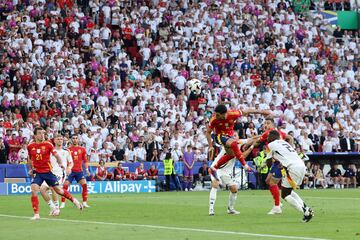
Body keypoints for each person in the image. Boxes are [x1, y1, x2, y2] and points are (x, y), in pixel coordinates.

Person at [27, 127, 82, 220]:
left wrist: (60, 163)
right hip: (38, 173)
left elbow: (56, 155)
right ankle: (37, 214)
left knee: (58, 190)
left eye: (43, 133)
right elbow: (29, 158)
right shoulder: (30, 146)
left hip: (48, 172)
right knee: (34, 190)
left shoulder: (48, 145)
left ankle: (74, 201)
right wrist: (30, 168)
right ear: (35, 135)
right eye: (39, 133)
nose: (42, 135)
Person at [206, 104, 269, 178]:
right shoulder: (214, 119)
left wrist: (261, 112)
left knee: (231, 155)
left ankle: (214, 168)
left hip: (230, 137)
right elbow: (208, 132)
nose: (216, 116)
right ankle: (245, 165)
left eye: (218, 115)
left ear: (224, 113)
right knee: (234, 144)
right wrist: (210, 146)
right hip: (219, 136)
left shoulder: (233, 113)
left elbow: (247, 111)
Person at [266, 130, 314, 222]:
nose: (267, 138)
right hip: (301, 166)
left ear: (272, 137)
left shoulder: (270, 145)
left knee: (285, 194)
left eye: (268, 136)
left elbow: (268, 163)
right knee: (289, 191)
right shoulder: (284, 143)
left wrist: (271, 161)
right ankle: (306, 208)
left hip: (293, 168)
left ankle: (306, 212)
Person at [255, 118, 293, 215]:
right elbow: (290, 138)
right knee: (268, 180)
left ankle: (277, 206)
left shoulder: (269, 133)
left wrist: (249, 145)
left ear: (273, 125)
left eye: (268, 123)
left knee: (272, 182)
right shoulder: (278, 133)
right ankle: (278, 202)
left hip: (280, 161)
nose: (265, 125)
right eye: (265, 123)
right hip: (275, 160)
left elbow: (257, 142)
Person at [209, 138, 255, 216]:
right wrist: (252, 147)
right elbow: (241, 156)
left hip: (226, 172)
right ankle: (211, 209)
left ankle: (230, 209)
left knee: (234, 189)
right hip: (215, 168)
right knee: (215, 184)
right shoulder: (229, 147)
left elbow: (250, 139)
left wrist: (257, 138)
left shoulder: (238, 142)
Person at [39, 134, 73, 216]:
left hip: (60, 173)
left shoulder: (66, 151)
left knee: (53, 188)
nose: (60, 140)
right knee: (42, 189)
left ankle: (57, 209)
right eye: (58, 139)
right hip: (50, 173)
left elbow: (71, 162)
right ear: (54, 140)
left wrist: (69, 168)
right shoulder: (50, 150)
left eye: (61, 139)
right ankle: (52, 207)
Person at [61, 135, 90, 209]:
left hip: (79, 171)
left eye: (76, 138)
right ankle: (63, 203)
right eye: (73, 138)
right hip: (70, 171)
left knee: (84, 185)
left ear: (78, 140)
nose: (75, 140)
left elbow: (85, 161)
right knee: (65, 186)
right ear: (71, 140)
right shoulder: (68, 150)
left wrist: (87, 170)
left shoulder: (82, 149)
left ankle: (84, 203)